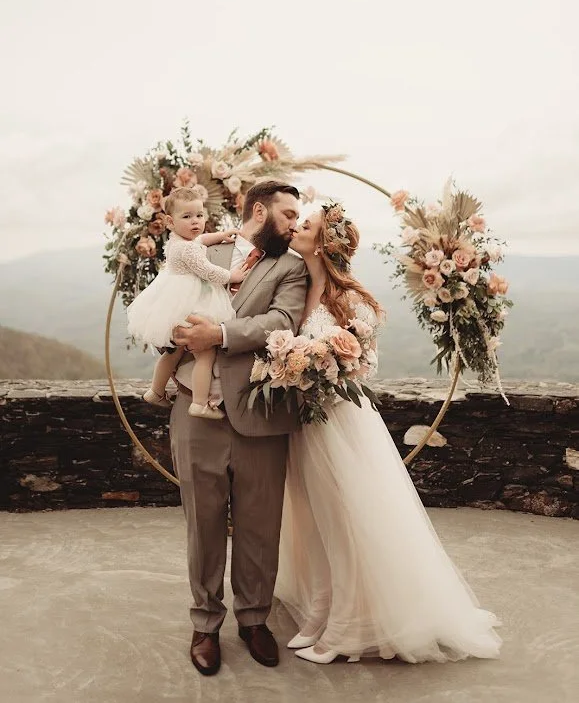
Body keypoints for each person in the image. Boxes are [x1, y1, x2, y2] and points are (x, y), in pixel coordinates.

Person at [275, 202, 503, 664]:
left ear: (322, 243)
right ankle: (320, 610)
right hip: (303, 424)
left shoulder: (353, 299)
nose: (296, 227)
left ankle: (347, 631)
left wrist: (331, 366)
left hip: (340, 424)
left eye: (306, 224)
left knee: (344, 527)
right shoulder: (300, 289)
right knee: (312, 523)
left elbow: (369, 362)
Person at [169, 180, 308, 676]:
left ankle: (254, 620)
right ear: (258, 210)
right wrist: (174, 329)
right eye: (288, 214)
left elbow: (284, 321)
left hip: (261, 413)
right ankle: (205, 623)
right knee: (202, 524)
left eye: (298, 216)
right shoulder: (205, 248)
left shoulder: (291, 268)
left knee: (259, 524)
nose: (295, 223)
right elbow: (167, 297)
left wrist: (220, 334)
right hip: (194, 407)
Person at [126, 187, 248, 419]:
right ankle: (200, 403)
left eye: (199, 215)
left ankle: (155, 391)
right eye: (187, 216)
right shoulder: (187, 250)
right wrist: (233, 276)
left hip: (174, 302)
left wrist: (220, 236)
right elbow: (208, 271)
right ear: (170, 221)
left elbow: (201, 239)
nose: (196, 222)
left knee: (173, 351)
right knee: (205, 353)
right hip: (191, 302)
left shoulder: (178, 241)